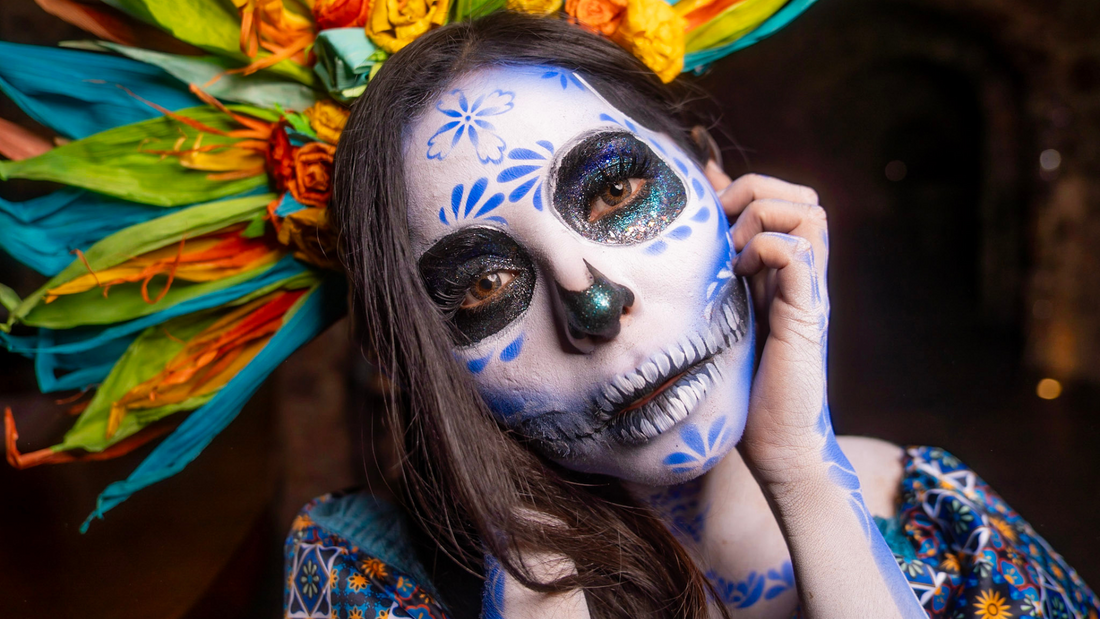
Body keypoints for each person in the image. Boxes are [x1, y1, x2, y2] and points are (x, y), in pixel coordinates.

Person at [281, 12, 1100, 619]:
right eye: (484, 285)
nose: (595, 303)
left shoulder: (940, 518)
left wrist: (808, 478)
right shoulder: (359, 570)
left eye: (613, 191)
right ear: (418, 349)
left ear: (714, 180)